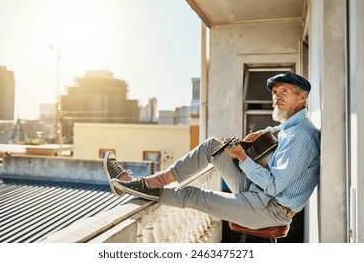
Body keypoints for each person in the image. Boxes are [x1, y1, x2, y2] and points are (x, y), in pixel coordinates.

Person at [103, 72, 320, 229]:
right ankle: (155, 180)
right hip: (258, 192)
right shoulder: (291, 126)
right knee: (212, 147)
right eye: (274, 92)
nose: (277, 97)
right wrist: (262, 132)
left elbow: (274, 186)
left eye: (284, 91)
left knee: (193, 195)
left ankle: (135, 187)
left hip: (271, 209)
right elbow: (279, 130)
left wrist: (243, 157)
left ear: (302, 97)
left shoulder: (301, 135)